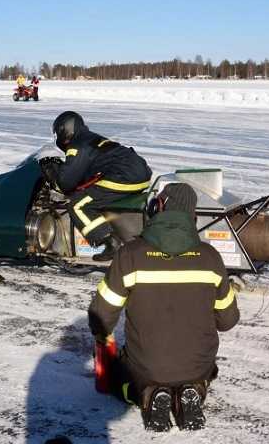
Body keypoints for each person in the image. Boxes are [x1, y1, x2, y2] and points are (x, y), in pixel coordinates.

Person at [88, 183, 239, 432]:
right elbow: (228, 320)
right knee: (203, 369)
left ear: (156, 208)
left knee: (118, 378)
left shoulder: (129, 255)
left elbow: (101, 317)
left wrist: (102, 338)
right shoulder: (211, 257)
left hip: (146, 364)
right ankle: (195, 388)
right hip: (198, 364)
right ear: (193, 217)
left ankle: (147, 393)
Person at [39, 111, 152, 262]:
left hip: (123, 177)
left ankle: (110, 242)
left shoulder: (78, 145)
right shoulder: (92, 139)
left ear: (64, 130)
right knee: (90, 194)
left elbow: (66, 183)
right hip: (140, 174)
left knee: (78, 204)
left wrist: (54, 173)